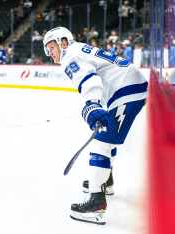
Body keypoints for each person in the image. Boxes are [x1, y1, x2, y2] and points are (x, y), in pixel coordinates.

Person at [43, 27, 147, 225]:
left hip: (127, 90)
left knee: (100, 145)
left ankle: (95, 204)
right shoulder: (79, 49)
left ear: (62, 42)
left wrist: (91, 105)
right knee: (106, 139)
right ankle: (105, 181)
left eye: (51, 47)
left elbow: (89, 79)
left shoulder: (69, 55)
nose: (50, 54)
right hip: (129, 87)